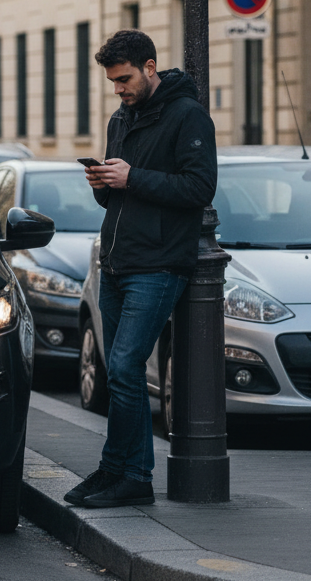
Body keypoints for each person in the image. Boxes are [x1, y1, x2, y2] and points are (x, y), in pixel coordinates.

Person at [66, 29, 216, 508]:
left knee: (128, 368)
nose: (119, 89)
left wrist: (132, 177)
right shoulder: (120, 118)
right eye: (112, 82)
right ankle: (115, 468)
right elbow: (115, 197)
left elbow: (199, 189)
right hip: (116, 260)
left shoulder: (188, 116)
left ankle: (135, 477)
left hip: (159, 264)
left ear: (150, 67)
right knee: (117, 372)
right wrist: (102, 181)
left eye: (125, 78)